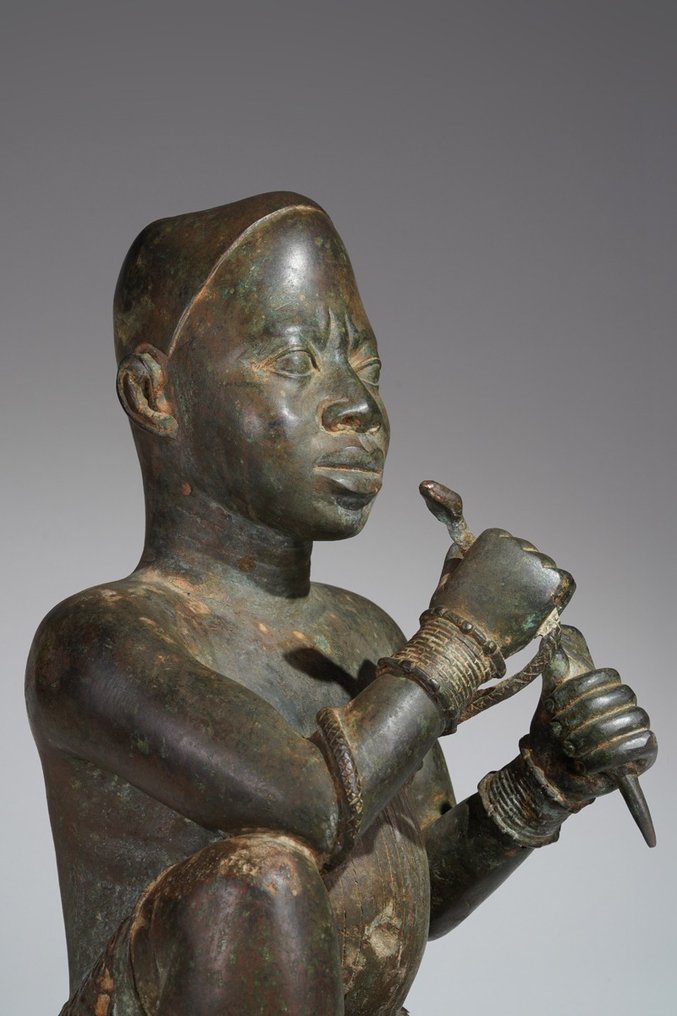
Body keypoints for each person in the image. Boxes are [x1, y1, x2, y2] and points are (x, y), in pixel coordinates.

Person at [26, 192, 656, 1016]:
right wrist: (460, 639)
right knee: (259, 879)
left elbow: (410, 896)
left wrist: (544, 779)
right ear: (155, 394)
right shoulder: (97, 644)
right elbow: (312, 810)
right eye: (293, 362)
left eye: (367, 367)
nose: (358, 404)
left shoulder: (360, 630)